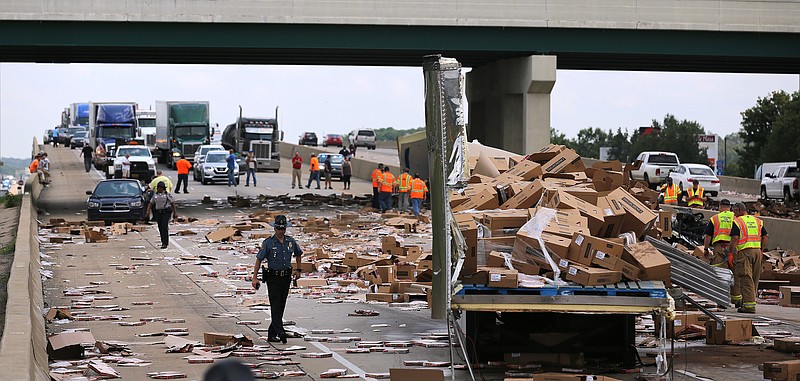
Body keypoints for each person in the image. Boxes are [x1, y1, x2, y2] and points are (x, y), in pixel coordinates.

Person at [251, 214, 303, 344]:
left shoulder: (290, 242)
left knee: (281, 305)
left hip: (286, 277)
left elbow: (298, 254)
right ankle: (280, 332)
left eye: (283, 228)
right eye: (279, 228)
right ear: (274, 228)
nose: (281, 231)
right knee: (275, 305)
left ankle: (271, 333)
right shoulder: (268, 243)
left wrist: (299, 270)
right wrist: (254, 277)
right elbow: (259, 259)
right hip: (273, 278)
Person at [728, 202, 768, 314]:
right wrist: (761, 249)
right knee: (754, 278)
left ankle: (749, 306)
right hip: (757, 251)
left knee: (746, 278)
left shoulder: (738, 222)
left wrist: (730, 253)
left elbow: (735, 238)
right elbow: (765, 236)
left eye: (735, 211)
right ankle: (750, 300)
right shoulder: (757, 220)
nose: (734, 214)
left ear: (740, 210)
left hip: (745, 252)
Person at [703, 199, 740, 306]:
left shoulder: (715, 218)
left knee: (721, 274)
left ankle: (722, 300)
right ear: (730, 207)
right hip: (734, 247)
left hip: (719, 248)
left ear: (720, 206)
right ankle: (737, 299)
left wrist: (706, 249)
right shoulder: (736, 217)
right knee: (736, 273)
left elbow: (708, 236)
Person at [145, 181, 178, 249]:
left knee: (164, 226)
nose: (158, 189)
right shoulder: (155, 195)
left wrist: (175, 213)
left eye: (159, 188)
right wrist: (148, 211)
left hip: (166, 212)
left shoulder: (167, 195)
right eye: (157, 188)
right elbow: (151, 203)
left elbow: (172, 203)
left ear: (162, 188)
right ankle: (162, 241)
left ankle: (165, 243)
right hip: (158, 212)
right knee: (160, 227)